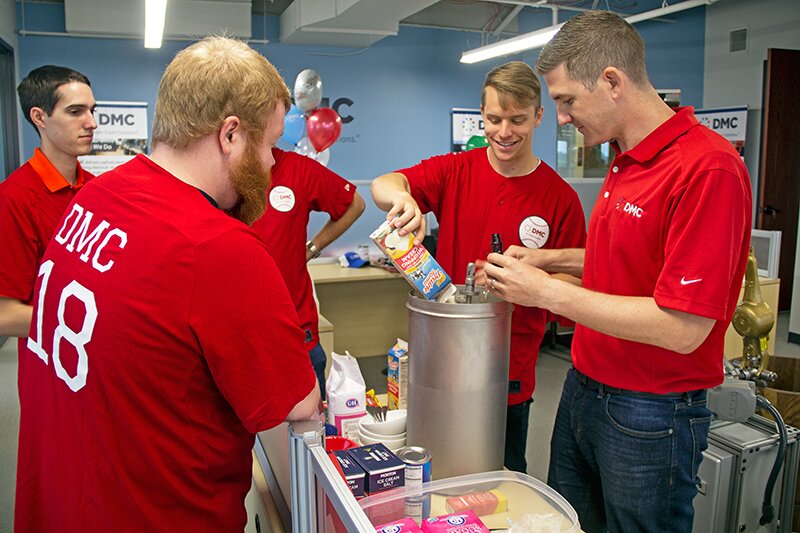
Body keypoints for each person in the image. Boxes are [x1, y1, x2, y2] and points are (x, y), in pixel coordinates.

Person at [15, 37, 320, 532]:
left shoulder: (95, 197)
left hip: (67, 492)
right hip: (158, 511)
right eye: (268, 145)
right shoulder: (218, 248)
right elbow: (295, 401)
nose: (271, 163)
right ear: (230, 135)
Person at [483, 11, 752, 532]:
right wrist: (548, 259)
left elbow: (682, 326)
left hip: (650, 412)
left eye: (565, 101)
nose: (560, 117)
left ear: (611, 82)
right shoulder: (624, 158)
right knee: (568, 523)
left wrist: (545, 293)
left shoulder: (706, 168)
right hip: (585, 389)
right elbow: (629, 261)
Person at [371, 61, 586, 473]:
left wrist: (529, 281)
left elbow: (577, 281)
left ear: (539, 116)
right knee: (439, 469)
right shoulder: (455, 172)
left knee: (499, 475)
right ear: (481, 116)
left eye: (518, 120)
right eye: (494, 119)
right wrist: (406, 201)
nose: (504, 132)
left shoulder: (559, 198)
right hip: (441, 359)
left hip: (509, 370)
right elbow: (385, 183)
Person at [252, 148, 365, 399]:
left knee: (310, 432)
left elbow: (354, 204)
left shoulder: (297, 169)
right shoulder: (222, 171)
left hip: (298, 335)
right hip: (245, 340)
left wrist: (313, 248)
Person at [0, 65, 97, 345]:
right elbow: (5, 315)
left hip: (96, 358)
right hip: (52, 360)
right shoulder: (14, 198)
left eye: (92, 110)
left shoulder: (95, 189)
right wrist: (97, 320)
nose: (91, 122)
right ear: (39, 117)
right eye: (76, 111)